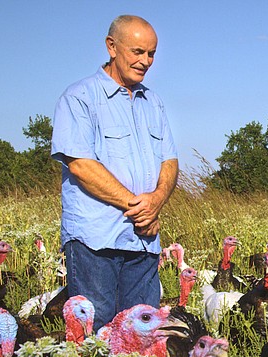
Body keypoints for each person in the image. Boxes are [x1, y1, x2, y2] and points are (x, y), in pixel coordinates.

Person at [51, 15, 178, 331]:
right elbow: (81, 164)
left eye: (151, 54)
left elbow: (170, 161)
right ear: (111, 47)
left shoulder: (154, 103)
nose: (145, 61)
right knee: (98, 332)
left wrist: (158, 199)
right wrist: (140, 206)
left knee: (143, 334)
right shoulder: (80, 97)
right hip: (96, 241)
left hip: (143, 241)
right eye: (137, 51)